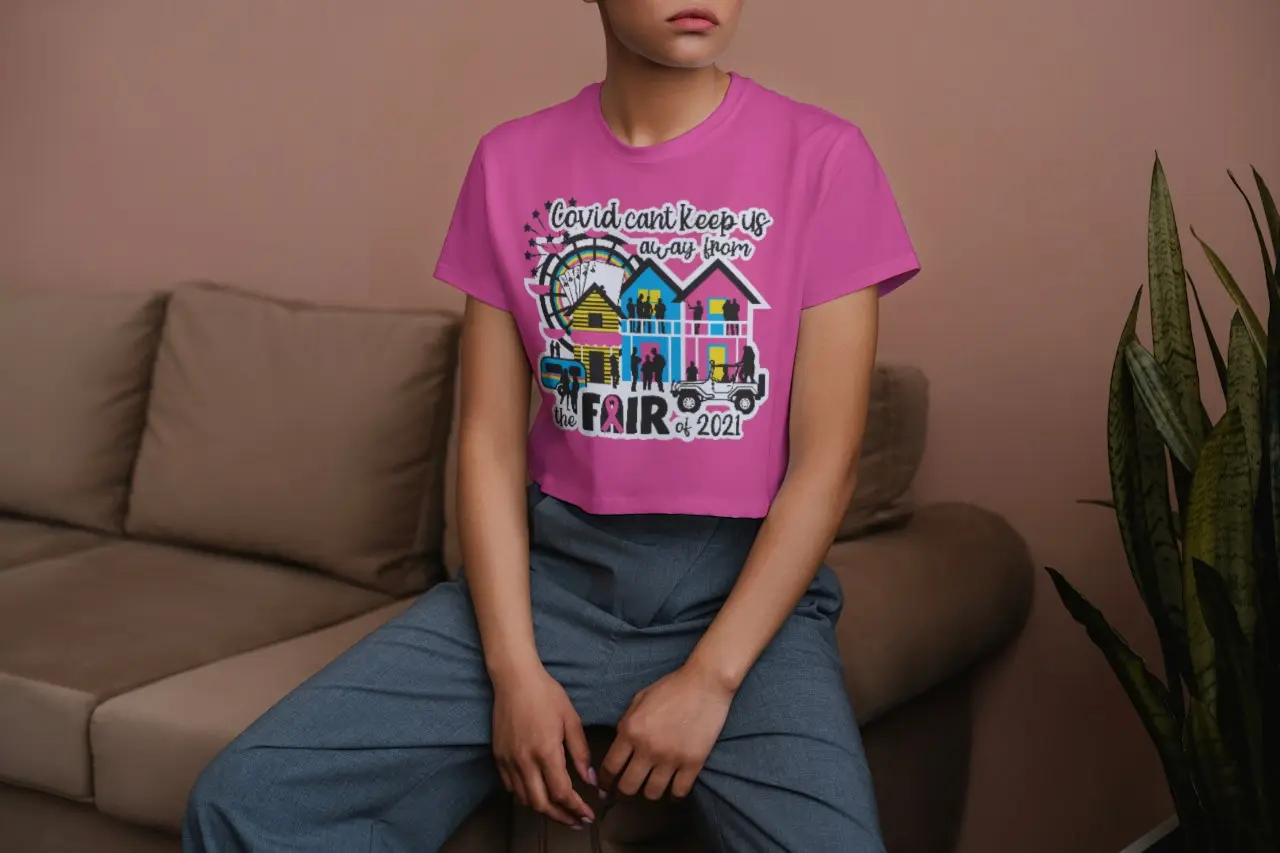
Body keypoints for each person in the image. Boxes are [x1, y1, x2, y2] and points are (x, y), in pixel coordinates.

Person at [181, 2, 919, 852]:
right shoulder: (510, 163)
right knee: (248, 798)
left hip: (743, 594)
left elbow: (826, 464)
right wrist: (514, 672)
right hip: (552, 583)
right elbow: (489, 442)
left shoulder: (823, 158)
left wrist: (712, 680)